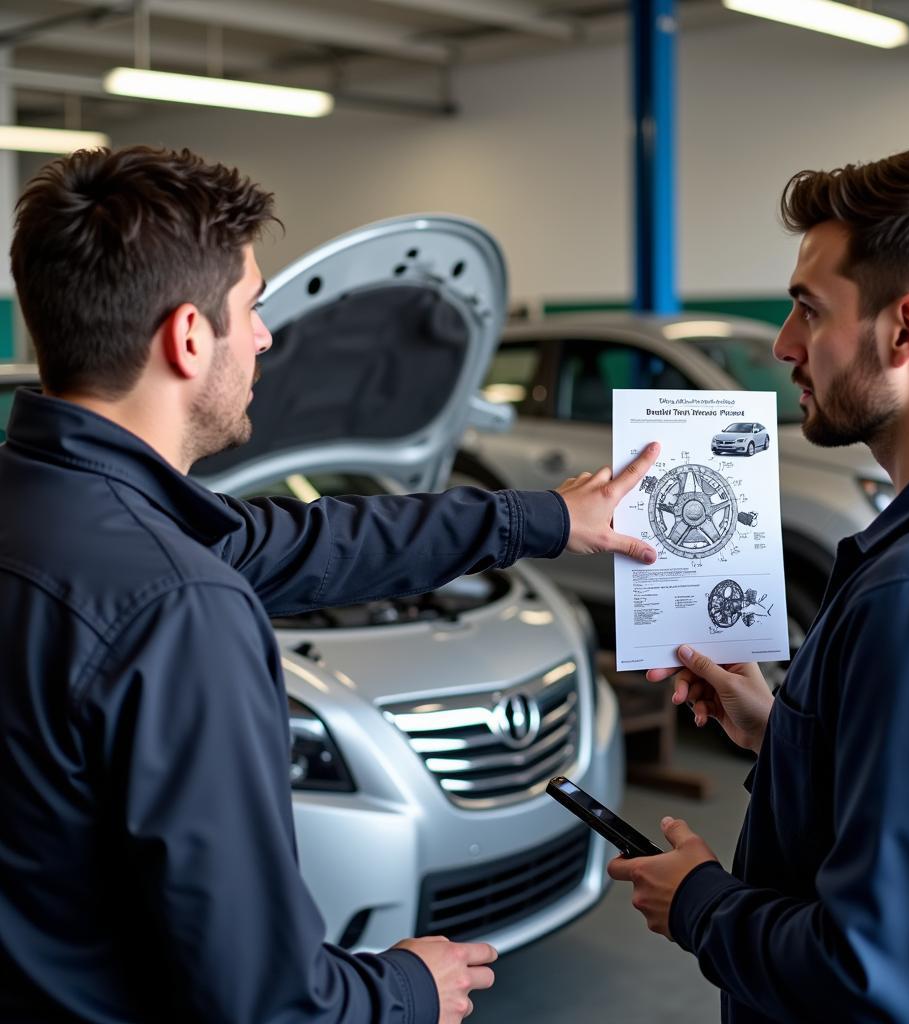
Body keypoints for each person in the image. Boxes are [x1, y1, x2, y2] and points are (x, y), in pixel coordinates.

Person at [0, 145, 660, 1024]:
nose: (268, 336)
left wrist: (537, 519)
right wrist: (404, 990)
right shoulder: (179, 607)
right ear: (189, 338)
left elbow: (310, 538)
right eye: (252, 307)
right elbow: (264, 998)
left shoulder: (48, 506)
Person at [609, 144, 909, 1023]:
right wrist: (785, 738)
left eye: (808, 310)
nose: (784, 343)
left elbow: (881, 984)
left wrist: (700, 904)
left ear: (906, 332)